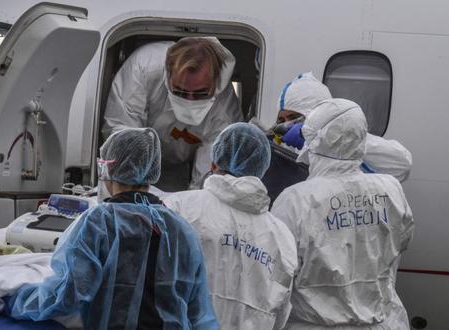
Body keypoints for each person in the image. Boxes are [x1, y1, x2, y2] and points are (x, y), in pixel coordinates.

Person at [6, 128, 218, 329]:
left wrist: (16, 302)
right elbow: (199, 312)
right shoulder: (181, 229)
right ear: (152, 169)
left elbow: (67, 295)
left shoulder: (98, 223)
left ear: (107, 168)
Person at [271, 99, 414, 329]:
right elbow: (402, 241)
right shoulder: (390, 189)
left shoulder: (295, 200)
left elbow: (277, 273)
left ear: (316, 138)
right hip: (380, 322)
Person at [164, 123, 297, 329]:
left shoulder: (179, 208)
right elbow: (280, 314)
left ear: (214, 163)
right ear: (261, 168)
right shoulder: (281, 236)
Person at [102, 37, 242, 191]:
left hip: (179, 169)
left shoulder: (225, 106)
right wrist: (129, 189)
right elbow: (123, 134)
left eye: (200, 93)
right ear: (168, 74)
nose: (190, 100)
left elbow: (212, 170)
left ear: (215, 82)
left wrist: (196, 199)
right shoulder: (144, 67)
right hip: (139, 158)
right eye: (180, 91)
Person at [274, 72, 412, 182]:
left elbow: (402, 166)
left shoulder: (353, 140)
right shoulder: (287, 145)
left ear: (316, 115)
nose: (287, 125)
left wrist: (323, 139)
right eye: (281, 120)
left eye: (293, 117)